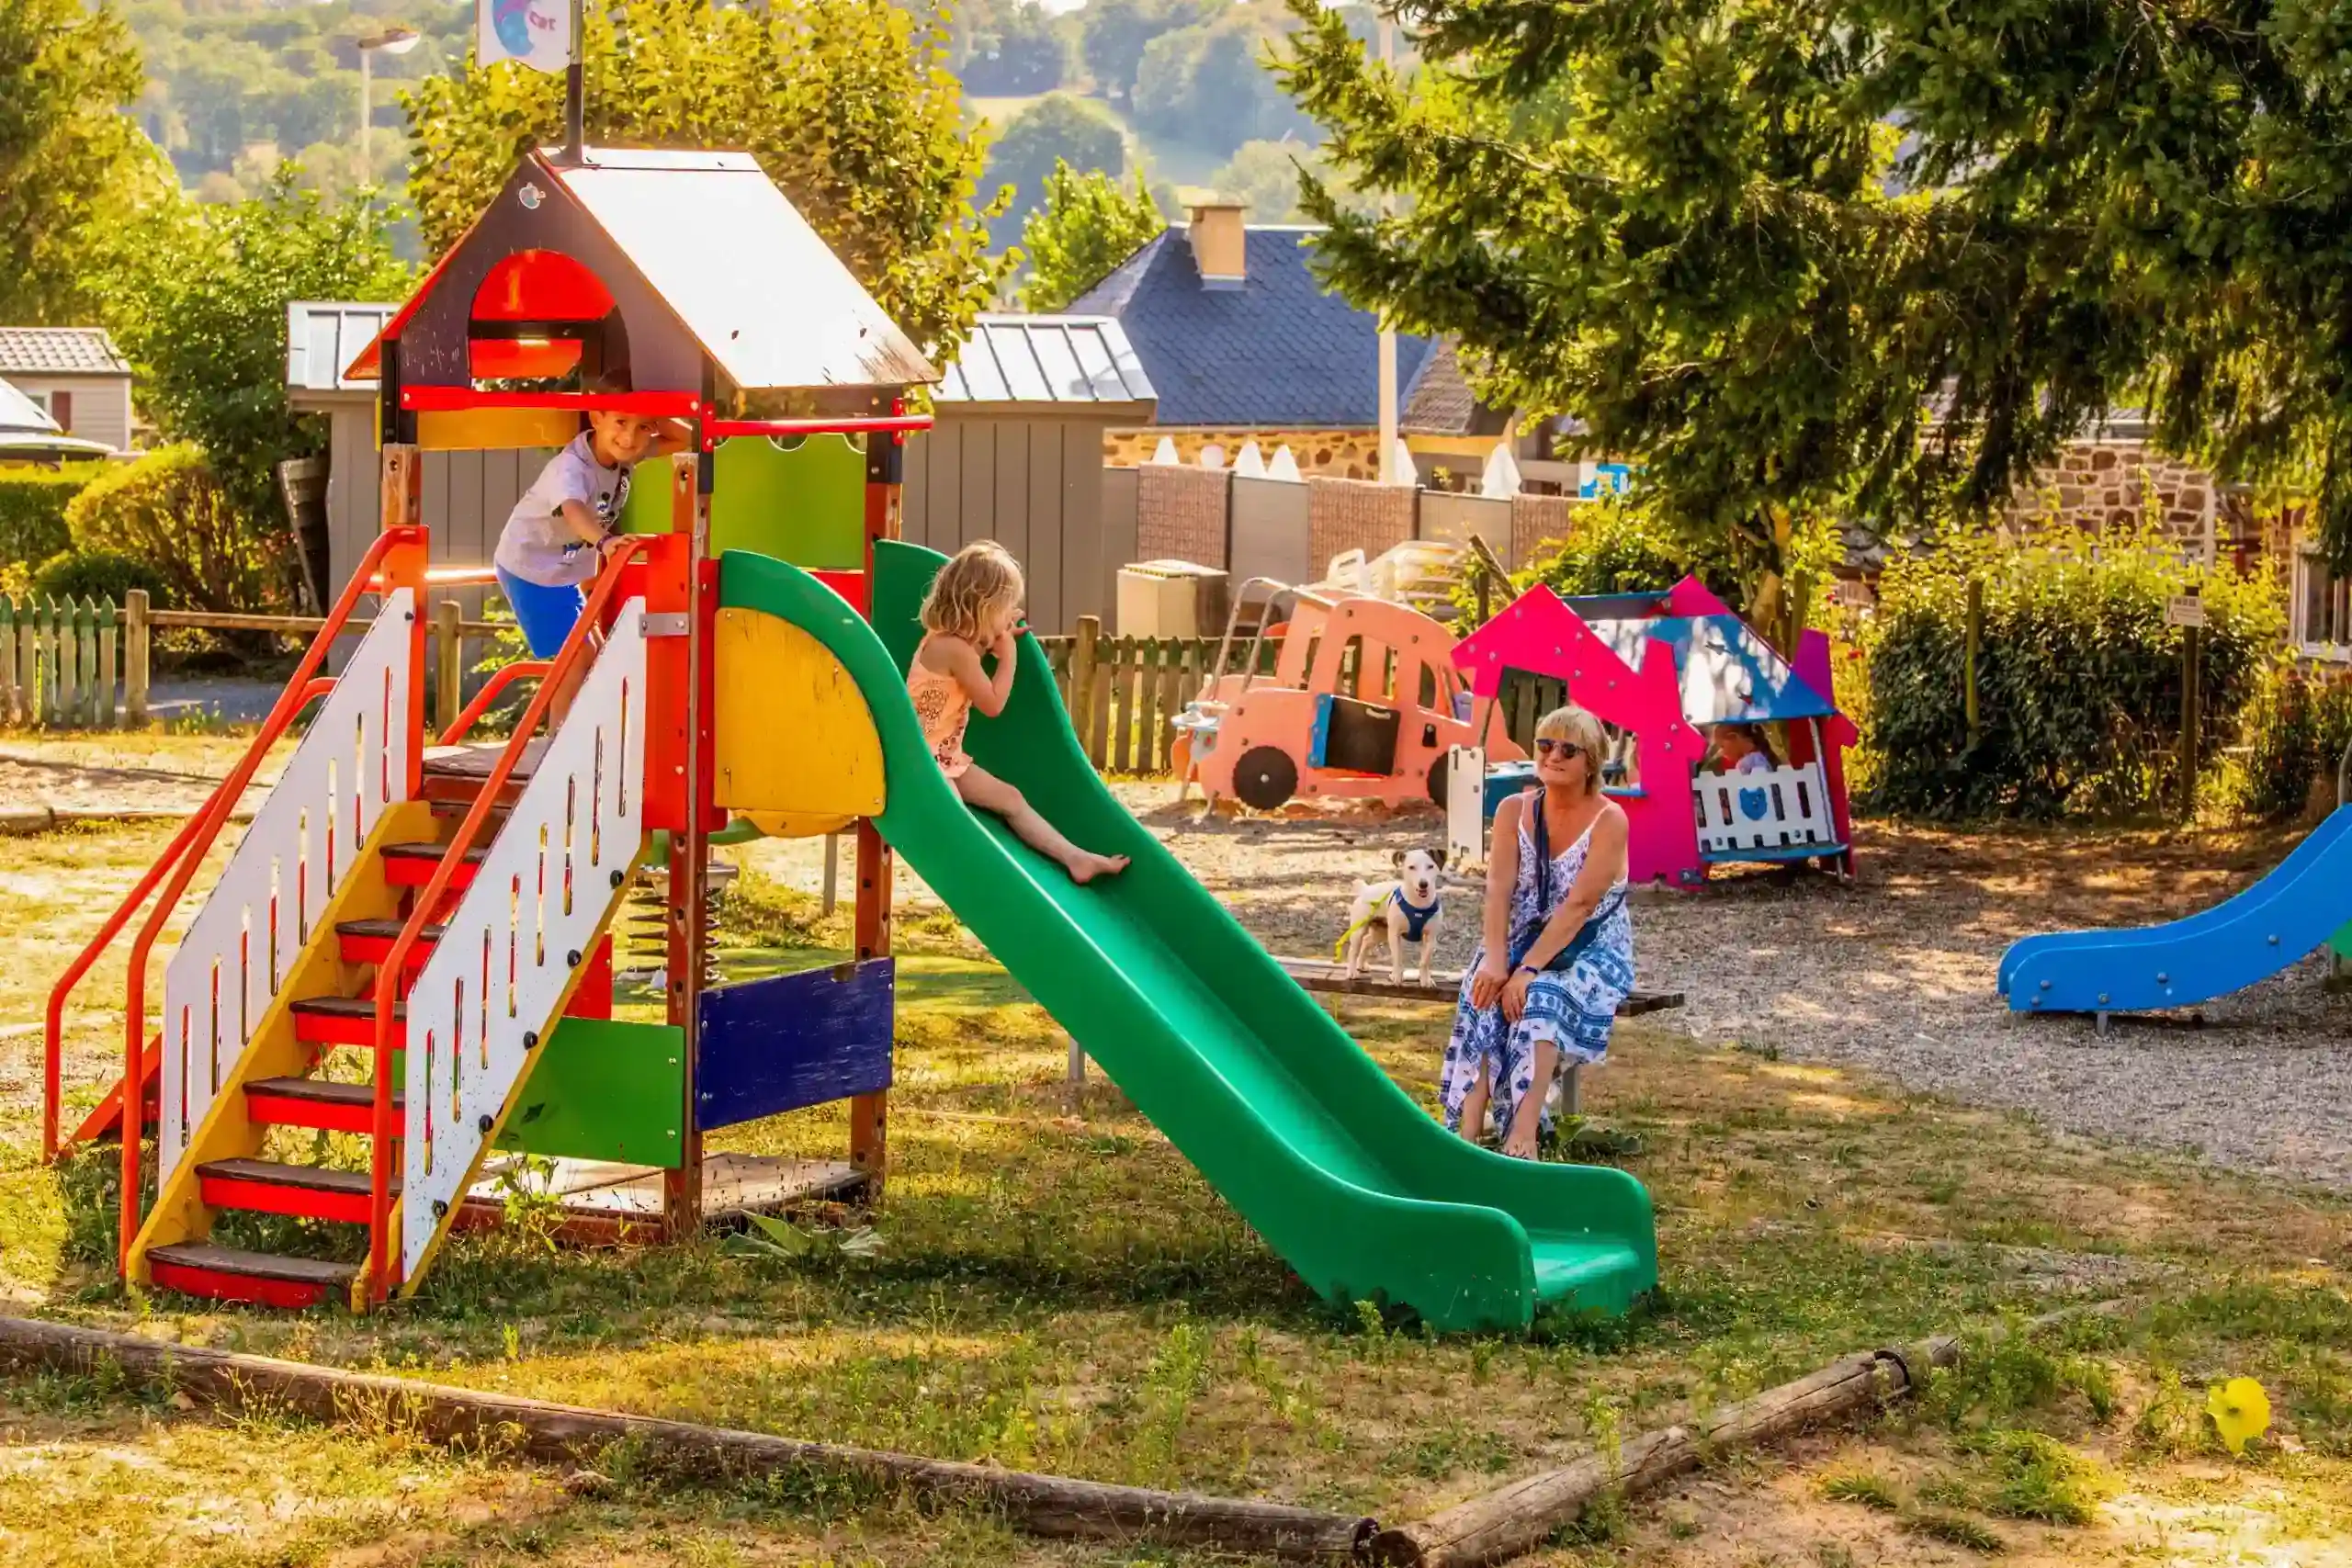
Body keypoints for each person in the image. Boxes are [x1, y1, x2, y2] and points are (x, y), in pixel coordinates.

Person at [1441, 704, 1634, 1158]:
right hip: (1522, 938)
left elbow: (1580, 906)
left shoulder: (1610, 820)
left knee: (1542, 997)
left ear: (1592, 762)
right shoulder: (1513, 810)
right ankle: (1463, 1136)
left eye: (1569, 748)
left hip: (1590, 947)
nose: (1554, 755)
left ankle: (1521, 1139)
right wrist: (1495, 958)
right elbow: (1498, 889)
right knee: (1483, 990)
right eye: (1546, 745)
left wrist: (1526, 969)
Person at [909, 542, 1131, 884]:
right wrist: (1008, 653)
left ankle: (1077, 859)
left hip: (944, 757)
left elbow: (972, 657)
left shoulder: (951, 643)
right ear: (983, 605)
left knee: (1011, 798)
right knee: (956, 818)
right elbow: (993, 704)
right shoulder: (954, 650)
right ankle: (988, 885)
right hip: (921, 760)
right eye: (1005, 608)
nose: (1009, 616)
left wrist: (992, 639)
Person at [491, 373, 686, 721]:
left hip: (561, 570)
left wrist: (656, 411)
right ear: (596, 417)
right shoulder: (572, 468)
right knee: (577, 656)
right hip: (532, 567)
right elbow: (573, 510)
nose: (629, 437)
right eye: (621, 421)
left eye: (644, 427)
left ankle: (576, 735)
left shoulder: (623, 453)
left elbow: (689, 438)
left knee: (594, 652)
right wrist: (605, 541)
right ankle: (557, 742)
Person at [1711, 722, 1778, 775]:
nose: (1722, 752)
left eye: (1722, 746)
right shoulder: (1763, 756)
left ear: (1733, 737)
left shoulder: (1744, 765)